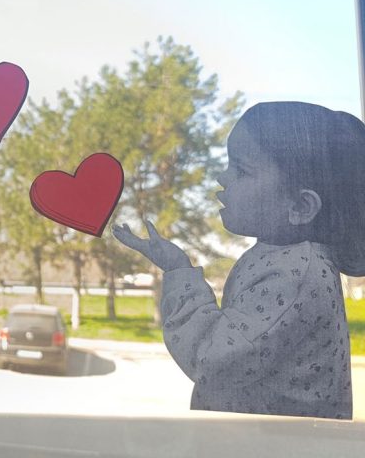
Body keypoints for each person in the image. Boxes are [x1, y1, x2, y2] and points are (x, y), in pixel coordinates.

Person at [113, 101, 360, 419]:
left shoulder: (294, 275)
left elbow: (211, 359)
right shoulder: (284, 259)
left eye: (241, 170)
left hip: (271, 442)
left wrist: (178, 271)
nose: (222, 177)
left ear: (300, 207)